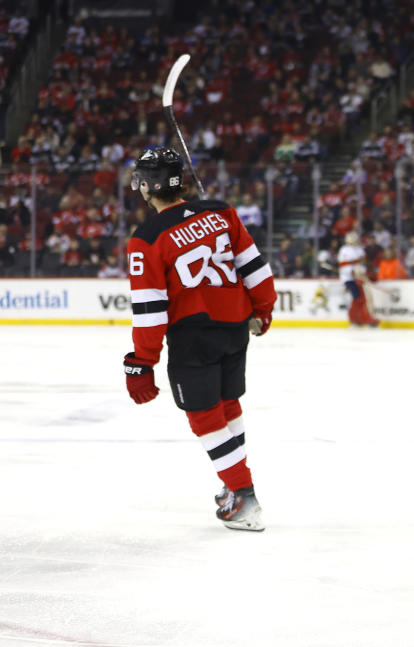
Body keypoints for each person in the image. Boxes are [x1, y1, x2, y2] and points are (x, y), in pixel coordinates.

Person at [122, 147, 276, 532]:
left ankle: (243, 497)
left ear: (149, 185)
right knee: (227, 405)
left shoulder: (147, 238)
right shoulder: (220, 211)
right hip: (235, 327)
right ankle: (233, 485)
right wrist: (263, 309)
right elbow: (254, 266)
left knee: (205, 417)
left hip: (193, 335)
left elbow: (151, 309)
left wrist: (142, 361)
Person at [338, 230, 379, 326]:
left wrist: (366, 272)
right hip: (349, 279)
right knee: (359, 298)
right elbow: (343, 266)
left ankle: (357, 319)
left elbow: (363, 263)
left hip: (360, 278)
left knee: (360, 299)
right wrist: (353, 273)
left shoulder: (360, 249)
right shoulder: (344, 250)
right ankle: (361, 318)